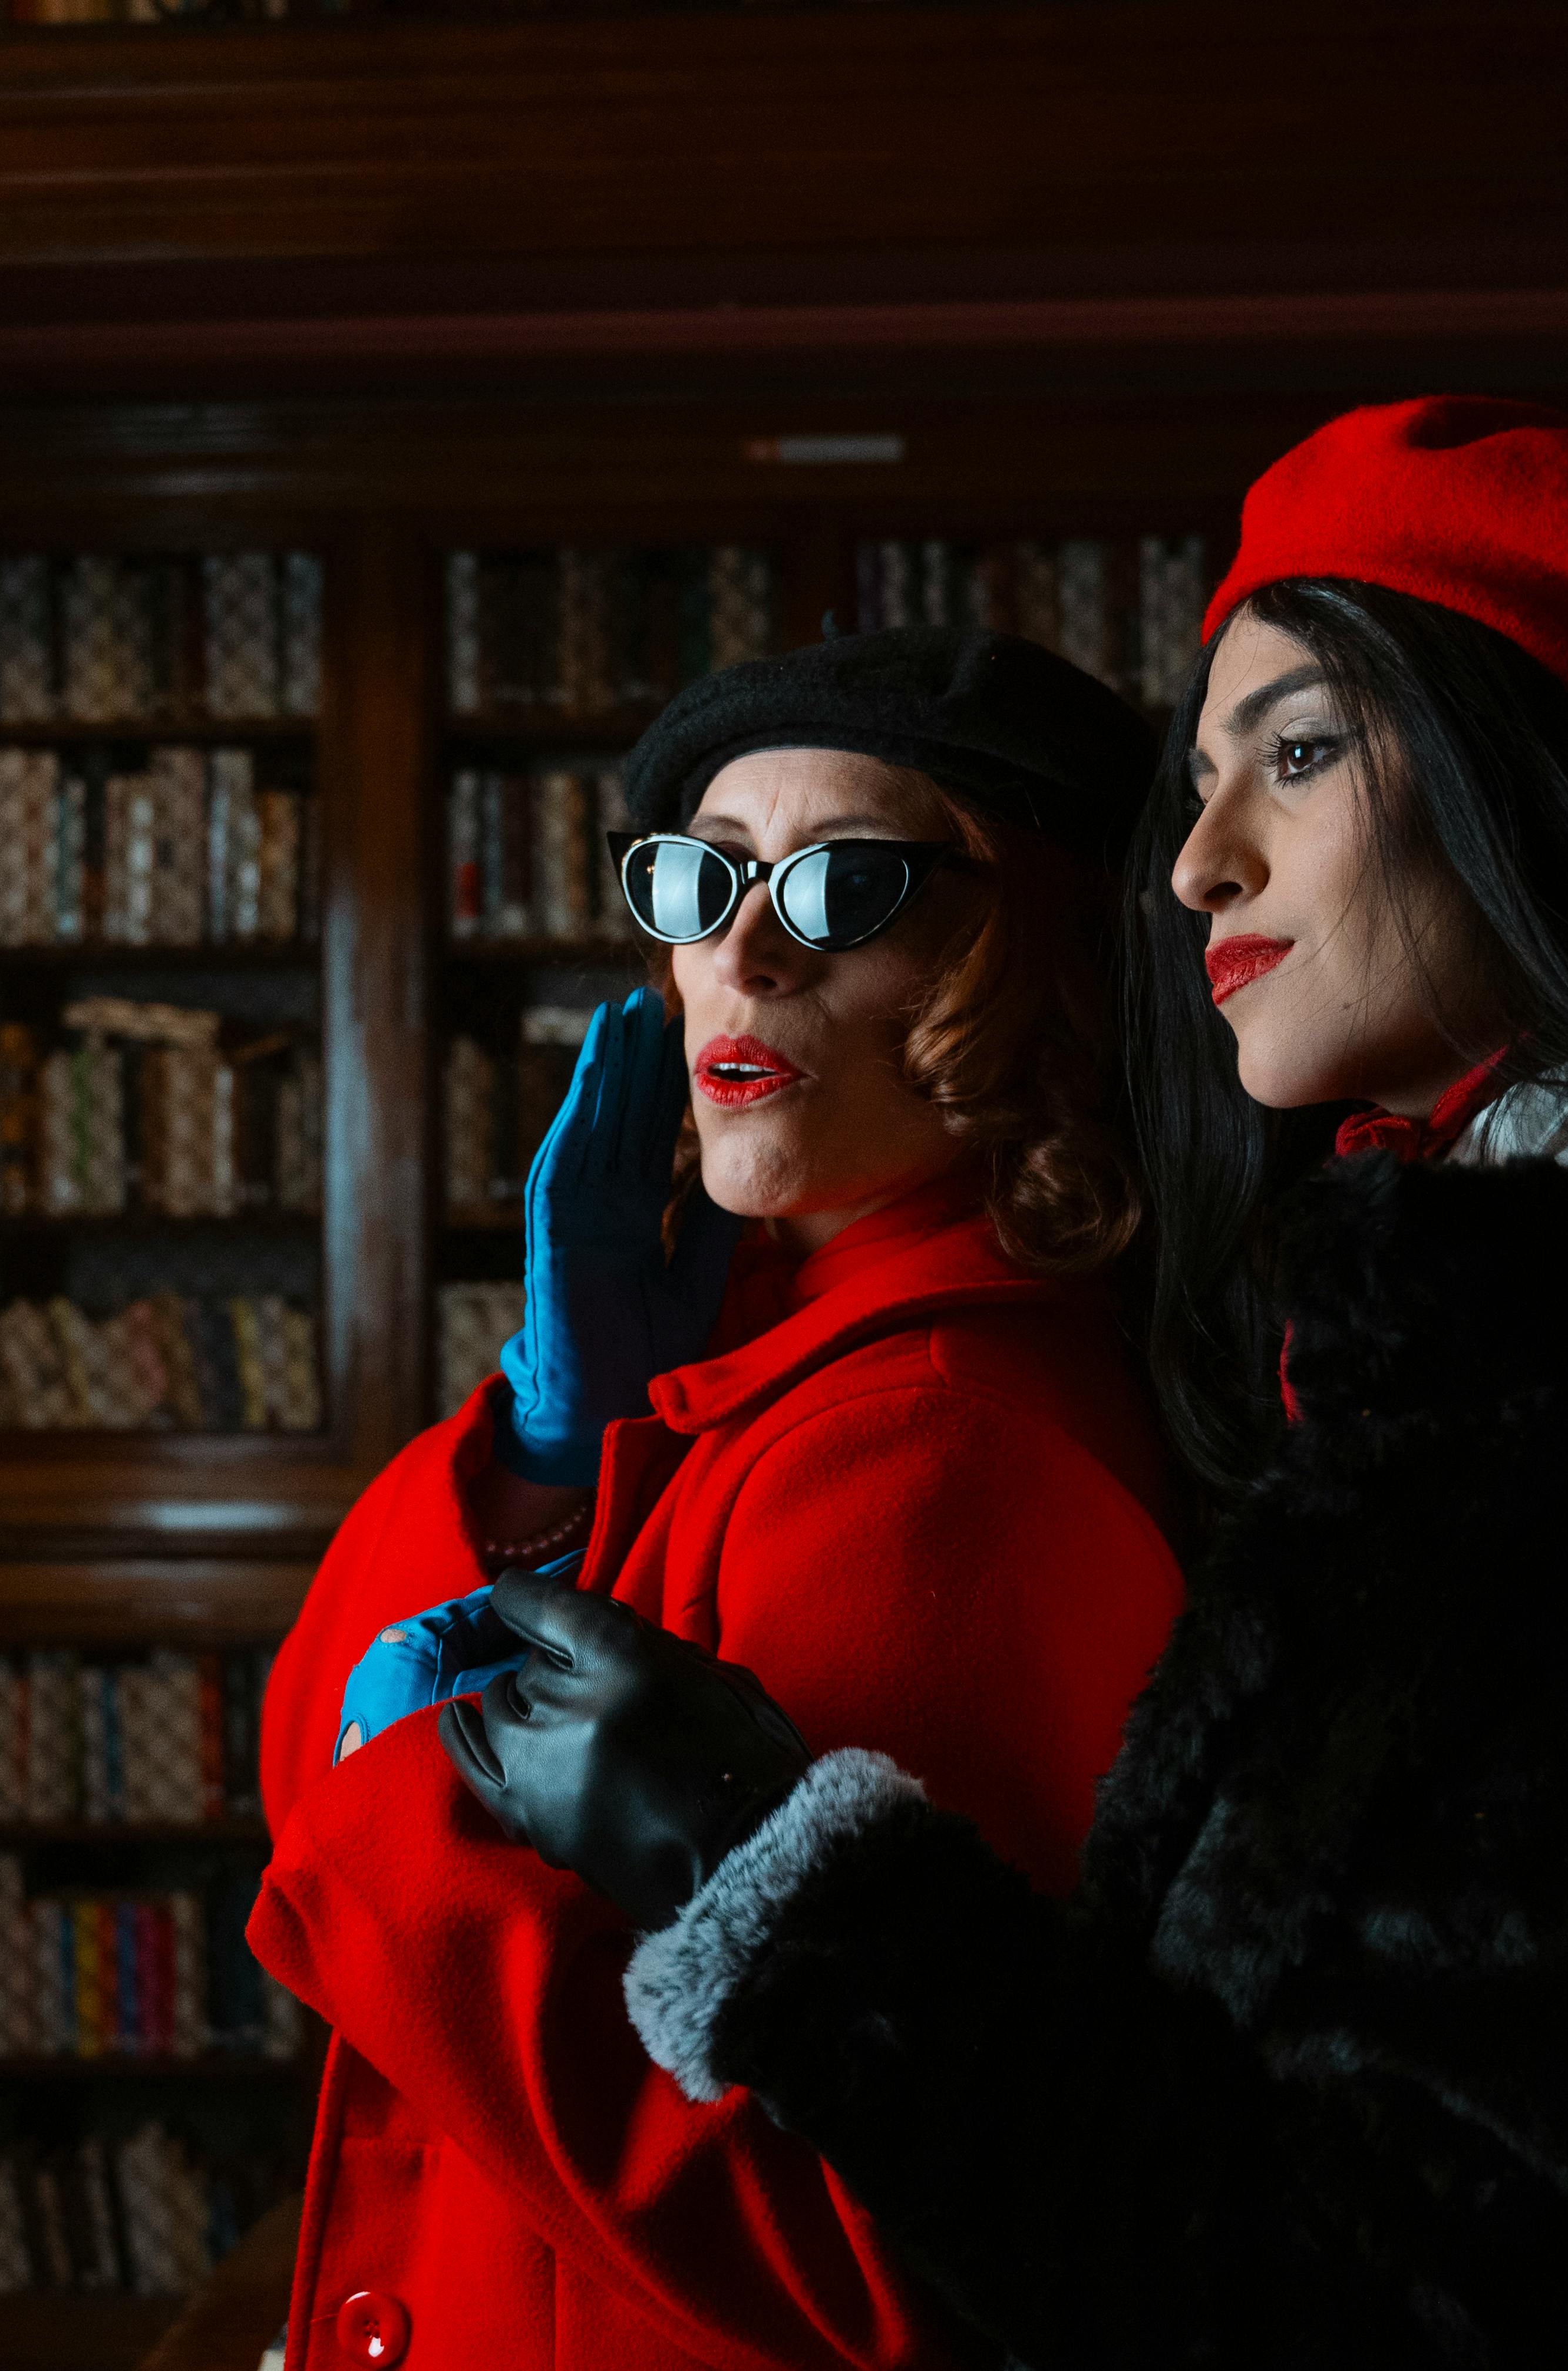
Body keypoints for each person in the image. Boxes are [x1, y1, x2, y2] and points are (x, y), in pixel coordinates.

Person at [443, 397, 1568, 2367]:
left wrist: (777, 1879)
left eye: (1294, 753)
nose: (1197, 863)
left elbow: (1387, 2291)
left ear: (1547, 782)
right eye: (1205, 778)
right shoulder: (1477, 1336)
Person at [245, 627, 1189, 2370]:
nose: (738, 953)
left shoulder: (937, 1453)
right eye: (700, 879)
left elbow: (882, 2261)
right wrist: (551, 1435)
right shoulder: (767, 1347)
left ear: (1035, 954)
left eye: (842, 888)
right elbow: (313, 1731)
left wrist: (406, 1819)